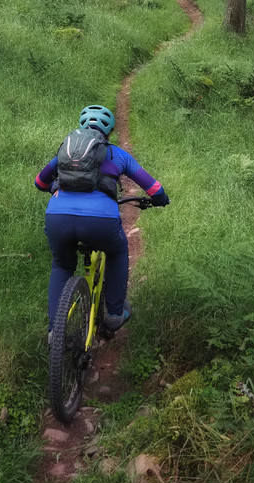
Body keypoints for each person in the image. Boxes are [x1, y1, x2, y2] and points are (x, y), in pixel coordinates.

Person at [35, 104, 169, 338]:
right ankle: (115, 314)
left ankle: (55, 332)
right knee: (118, 251)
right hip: (100, 222)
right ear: (110, 131)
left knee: (62, 266)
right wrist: (160, 199)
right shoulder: (118, 154)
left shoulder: (65, 152)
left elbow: (39, 182)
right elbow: (154, 188)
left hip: (58, 217)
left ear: (81, 126)